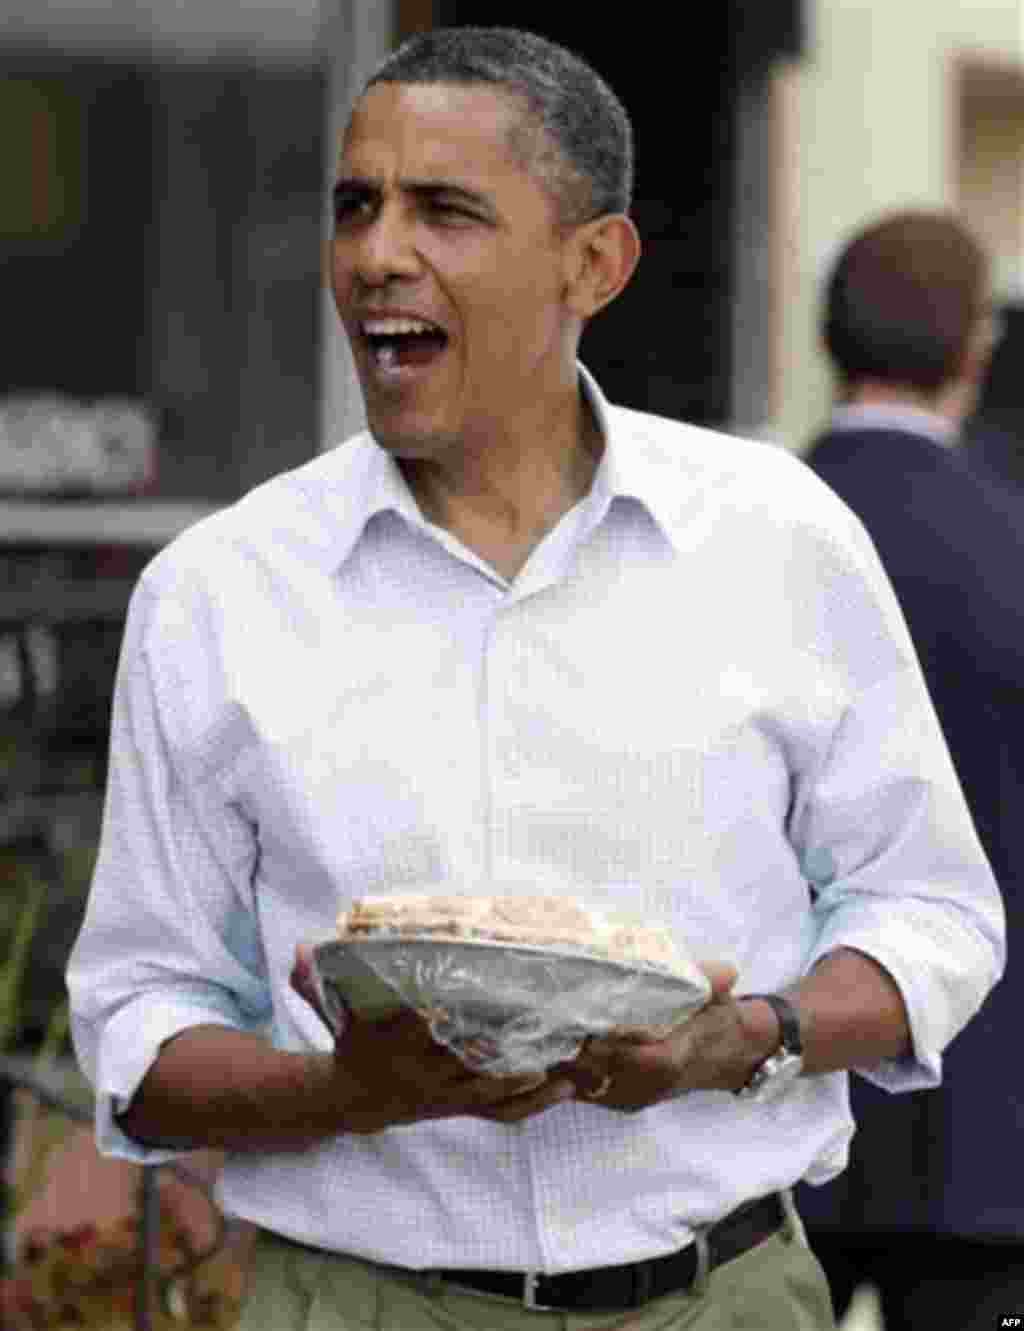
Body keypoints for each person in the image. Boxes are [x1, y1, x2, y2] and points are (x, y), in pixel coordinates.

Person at [67, 30, 1004, 1331]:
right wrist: (356, 1086)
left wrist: (751, 1036)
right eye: (357, 205)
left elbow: (934, 914)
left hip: (726, 1297)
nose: (378, 252)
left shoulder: (779, 536)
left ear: (594, 263)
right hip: (356, 1303)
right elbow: (135, 1020)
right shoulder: (217, 593)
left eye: (444, 209)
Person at [796, 210, 1024, 1331]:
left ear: (823, 338)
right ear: (974, 351)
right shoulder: (1013, 546)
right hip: (996, 1131)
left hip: (774, 1106)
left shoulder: (727, 545)